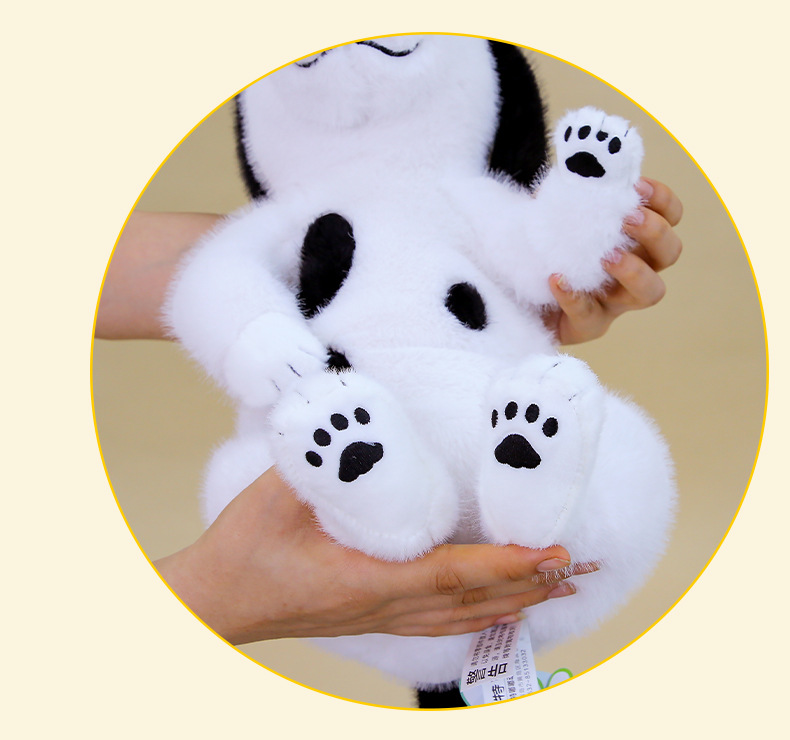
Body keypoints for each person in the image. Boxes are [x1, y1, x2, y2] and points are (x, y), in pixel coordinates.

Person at [95, 175, 682, 645]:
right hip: (327, 532)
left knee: (612, 442)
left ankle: (502, 504)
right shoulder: (310, 221)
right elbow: (217, 277)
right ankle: (422, 502)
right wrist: (211, 590)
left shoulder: (450, 201)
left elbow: (550, 262)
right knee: (596, 427)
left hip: (398, 469)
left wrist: (584, 227)